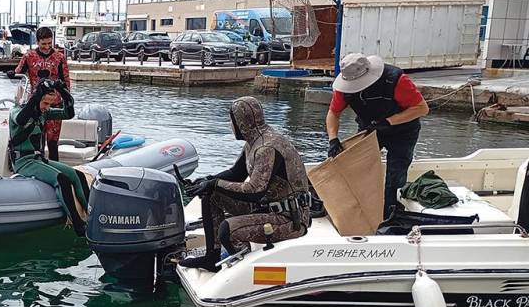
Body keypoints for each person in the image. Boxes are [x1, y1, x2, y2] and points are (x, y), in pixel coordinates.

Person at [180, 97, 311, 271]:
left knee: (227, 229)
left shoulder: (267, 147)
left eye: (231, 120)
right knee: (210, 195)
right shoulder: (255, 141)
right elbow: (237, 173)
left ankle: (241, 261)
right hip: (266, 207)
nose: (229, 124)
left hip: (289, 219)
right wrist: (206, 181)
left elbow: (255, 190)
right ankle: (211, 258)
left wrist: (215, 183)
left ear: (241, 123)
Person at [326, 53, 429, 218]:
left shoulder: (396, 80)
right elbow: (333, 113)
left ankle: (391, 213)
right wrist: (333, 139)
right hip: (369, 127)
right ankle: (361, 209)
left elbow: (422, 108)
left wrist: (388, 122)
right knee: (358, 167)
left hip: (403, 130)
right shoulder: (344, 88)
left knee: (395, 175)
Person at [9, 79, 90, 236]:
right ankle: (78, 225)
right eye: (45, 103)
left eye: (50, 104)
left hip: (38, 159)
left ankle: (91, 215)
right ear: (37, 99)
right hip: (23, 162)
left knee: (77, 175)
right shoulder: (16, 111)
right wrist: (36, 96)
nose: (47, 108)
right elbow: (21, 120)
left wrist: (63, 92)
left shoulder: (43, 114)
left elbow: (68, 113)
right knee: (62, 179)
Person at [7, 26, 71, 161]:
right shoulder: (29, 56)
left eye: (49, 43)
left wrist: (65, 97)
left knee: (53, 142)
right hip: (36, 104)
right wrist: (12, 73)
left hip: (55, 104)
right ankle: (38, 163)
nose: (47, 47)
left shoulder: (59, 57)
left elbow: (66, 81)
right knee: (37, 137)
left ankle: (54, 165)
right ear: (37, 42)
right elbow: (18, 72)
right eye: (44, 44)